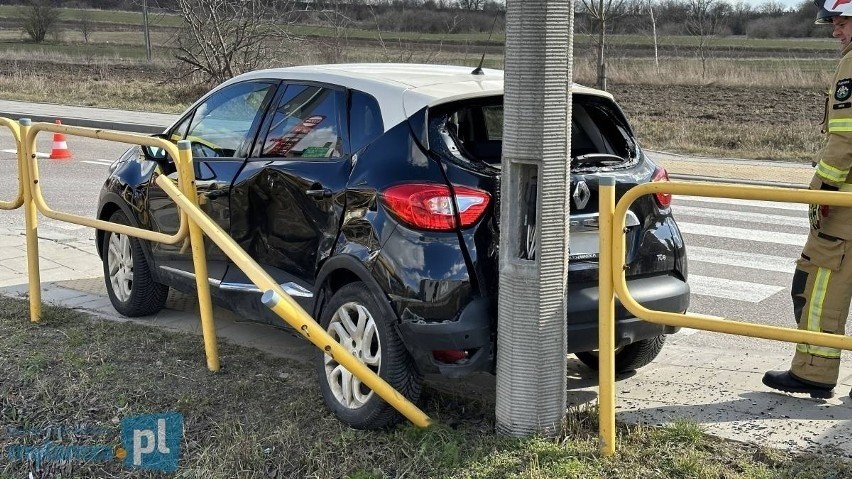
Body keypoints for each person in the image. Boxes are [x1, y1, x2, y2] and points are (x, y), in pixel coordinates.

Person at [762, 0, 852, 399]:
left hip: (846, 209)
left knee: (818, 285)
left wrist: (821, 194)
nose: (836, 31)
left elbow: (846, 137)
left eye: (843, 22)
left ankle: (814, 371)